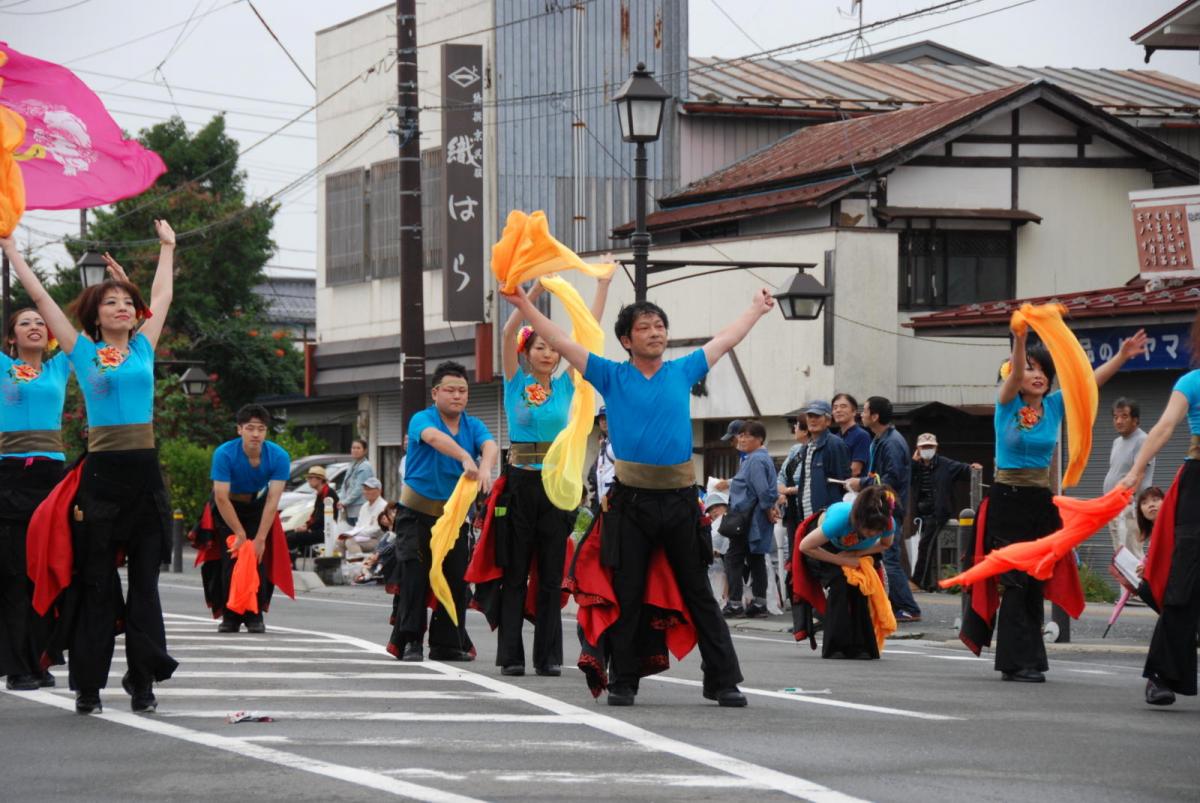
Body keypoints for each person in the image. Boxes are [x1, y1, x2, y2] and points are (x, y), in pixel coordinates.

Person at [503, 284, 777, 708]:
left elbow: (725, 339)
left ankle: (723, 681)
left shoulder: (683, 370)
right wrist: (523, 305)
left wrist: (756, 310)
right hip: (630, 502)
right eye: (645, 327)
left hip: (681, 500)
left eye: (660, 325)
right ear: (627, 340)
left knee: (698, 591)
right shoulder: (611, 375)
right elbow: (561, 341)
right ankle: (624, 679)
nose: (656, 332)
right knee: (628, 592)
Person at [15, 221, 179, 715]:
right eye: (110, 302)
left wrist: (167, 248)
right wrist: (11, 250)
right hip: (101, 480)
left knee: (146, 589)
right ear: (95, 314)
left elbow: (163, 293)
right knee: (97, 586)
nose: (122, 307)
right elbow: (42, 300)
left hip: (146, 478)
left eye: (127, 301)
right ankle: (89, 686)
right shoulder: (82, 351)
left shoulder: (144, 346)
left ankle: (144, 682)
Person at [975, 326, 1145, 684]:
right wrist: (1020, 342)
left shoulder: (1053, 406)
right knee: (1016, 581)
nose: (1037, 376)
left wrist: (1122, 356)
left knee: (1035, 581)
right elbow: (1016, 371)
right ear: (1015, 374)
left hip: (1040, 502)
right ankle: (1013, 661)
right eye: (1030, 369)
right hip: (1008, 500)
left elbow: (1088, 382)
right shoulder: (1005, 404)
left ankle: (1031, 660)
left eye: (1043, 371)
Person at [491, 272, 610, 677]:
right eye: (540, 347)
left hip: (557, 485)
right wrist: (534, 292)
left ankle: (548, 657)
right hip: (520, 483)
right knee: (515, 571)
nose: (548, 353)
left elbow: (586, 334)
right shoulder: (514, 382)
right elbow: (507, 332)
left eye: (552, 348)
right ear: (527, 352)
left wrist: (603, 286)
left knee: (550, 575)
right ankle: (510, 655)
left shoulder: (566, 387)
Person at [386, 361, 498, 663]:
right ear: (436, 392)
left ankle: (446, 643)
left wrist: (486, 466)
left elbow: (490, 445)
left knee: (456, 578)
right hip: (415, 514)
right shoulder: (422, 419)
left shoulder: (473, 425)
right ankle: (410, 641)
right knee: (415, 576)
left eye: (463, 390)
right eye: (450, 390)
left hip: (453, 518)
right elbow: (435, 439)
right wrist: (464, 455)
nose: (457, 396)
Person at [1120, 311, 1200, 705]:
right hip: (1197, 483)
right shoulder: (1192, 382)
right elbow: (1165, 427)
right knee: (1184, 583)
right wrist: (1136, 471)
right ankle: (1162, 676)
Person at [0, 300, 71, 692]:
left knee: (44, 571)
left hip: (50, 478)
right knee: (13, 575)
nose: (35, 327)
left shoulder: (60, 366)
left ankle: (40, 659)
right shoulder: (3, 368)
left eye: (41, 322)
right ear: (11, 337)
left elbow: (84, 335)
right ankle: (17, 666)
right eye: (24, 323)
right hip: (10, 475)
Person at [206, 404, 291, 634]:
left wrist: (260, 538)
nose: (256, 434)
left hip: (258, 507)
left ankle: (255, 614)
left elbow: (273, 500)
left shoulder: (278, 456)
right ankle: (230, 615)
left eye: (261, 429)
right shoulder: (224, 454)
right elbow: (221, 497)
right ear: (239, 430)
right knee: (231, 557)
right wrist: (240, 533)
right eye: (250, 428)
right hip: (227, 508)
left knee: (257, 556)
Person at [799, 486, 898, 659]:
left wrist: (854, 554)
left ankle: (862, 646)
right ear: (859, 521)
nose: (873, 534)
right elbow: (805, 546)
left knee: (861, 587)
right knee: (840, 582)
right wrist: (843, 560)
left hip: (858, 551)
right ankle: (835, 646)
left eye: (877, 531)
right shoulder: (841, 519)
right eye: (869, 530)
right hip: (824, 546)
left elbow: (884, 544)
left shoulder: (887, 521)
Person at [846, 396, 920, 622]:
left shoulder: (891, 442)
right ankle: (897, 605)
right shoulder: (882, 439)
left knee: (889, 557)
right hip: (885, 506)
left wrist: (862, 484)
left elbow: (890, 480)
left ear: (875, 416)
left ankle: (909, 607)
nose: (862, 414)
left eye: (865, 410)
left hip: (889, 508)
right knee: (886, 556)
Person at [909, 433, 982, 592]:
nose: (927, 450)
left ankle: (917, 581)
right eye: (924, 447)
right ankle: (927, 583)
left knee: (925, 546)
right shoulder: (914, 466)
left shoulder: (946, 464)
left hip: (938, 512)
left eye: (930, 447)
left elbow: (964, 470)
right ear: (918, 449)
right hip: (921, 513)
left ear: (936, 448)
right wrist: (913, 463)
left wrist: (973, 468)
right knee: (924, 546)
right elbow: (904, 477)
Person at [722, 420, 778, 619]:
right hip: (755, 517)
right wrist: (769, 508)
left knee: (734, 558)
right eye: (741, 435)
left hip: (748, 518)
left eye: (747, 435)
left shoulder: (754, 460)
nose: (742, 439)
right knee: (756, 559)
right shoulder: (760, 458)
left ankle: (735, 603)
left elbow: (762, 490)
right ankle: (759, 602)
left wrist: (768, 508)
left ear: (759, 439)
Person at [1103, 398, 1155, 559]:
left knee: (1132, 557)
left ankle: (1139, 585)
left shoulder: (1143, 440)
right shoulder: (1117, 442)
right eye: (1116, 417)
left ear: (1135, 420)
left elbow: (1140, 472)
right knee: (1120, 558)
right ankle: (1125, 585)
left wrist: (1128, 499)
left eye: (1124, 416)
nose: (1119, 421)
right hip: (1113, 507)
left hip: (1129, 508)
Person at [286, 465, 340, 557]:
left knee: (292, 537)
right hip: (319, 528)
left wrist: (308, 528)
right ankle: (305, 556)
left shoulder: (328, 494)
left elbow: (322, 518)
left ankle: (291, 562)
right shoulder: (321, 493)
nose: (308, 480)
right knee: (287, 533)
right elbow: (315, 515)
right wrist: (306, 525)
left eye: (311, 478)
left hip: (326, 531)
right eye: (308, 478)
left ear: (320, 479)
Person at [339, 477, 386, 557]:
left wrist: (357, 534)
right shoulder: (364, 506)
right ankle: (341, 566)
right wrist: (351, 533)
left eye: (369, 489)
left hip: (377, 540)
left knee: (350, 542)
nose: (366, 492)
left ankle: (359, 565)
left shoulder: (383, 506)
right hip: (362, 537)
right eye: (365, 489)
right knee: (340, 541)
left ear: (379, 491)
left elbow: (378, 530)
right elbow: (358, 525)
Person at [832, 392, 870, 478]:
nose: (838, 410)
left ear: (854, 412)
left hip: (853, 489)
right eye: (835, 408)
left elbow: (855, 470)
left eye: (843, 406)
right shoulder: (835, 437)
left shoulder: (861, 435)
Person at [587, 406, 615, 514]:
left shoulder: (618, 441)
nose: (604, 421)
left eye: (607, 418)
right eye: (601, 419)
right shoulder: (603, 442)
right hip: (601, 498)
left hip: (613, 497)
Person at [340, 438, 375, 525]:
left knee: (358, 533)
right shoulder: (353, 464)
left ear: (365, 450)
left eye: (358, 448)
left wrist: (345, 502)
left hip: (359, 506)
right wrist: (342, 500)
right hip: (349, 506)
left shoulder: (365, 466)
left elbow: (359, 489)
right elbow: (344, 484)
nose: (355, 450)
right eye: (353, 448)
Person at [704, 491, 730, 603]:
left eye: (717, 506)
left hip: (725, 574)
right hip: (710, 573)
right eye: (710, 508)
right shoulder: (708, 527)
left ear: (726, 506)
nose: (714, 510)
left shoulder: (730, 524)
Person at [1133, 486, 1164, 561]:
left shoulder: (1174, 529)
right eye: (1144, 503)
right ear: (1141, 512)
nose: (1151, 505)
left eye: (1155, 500)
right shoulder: (1153, 532)